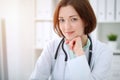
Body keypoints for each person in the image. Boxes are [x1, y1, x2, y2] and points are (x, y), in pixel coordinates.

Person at [30, 0, 113, 80]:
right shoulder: (51, 47)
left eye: (73, 19)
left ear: (86, 21)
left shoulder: (103, 51)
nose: (66, 27)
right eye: (62, 20)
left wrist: (79, 53)